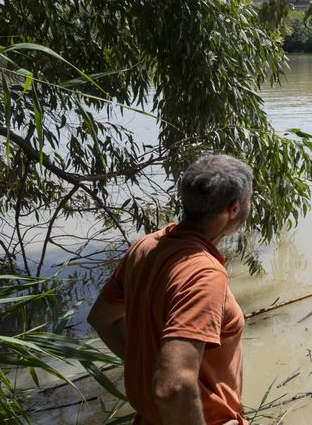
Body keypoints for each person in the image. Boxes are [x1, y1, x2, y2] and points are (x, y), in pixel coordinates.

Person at [88, 155, 253, 425]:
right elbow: (173, 387)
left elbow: (102, 318)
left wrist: (150, 364)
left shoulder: (146, 247)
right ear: (233, 209)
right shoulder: (204, 274)